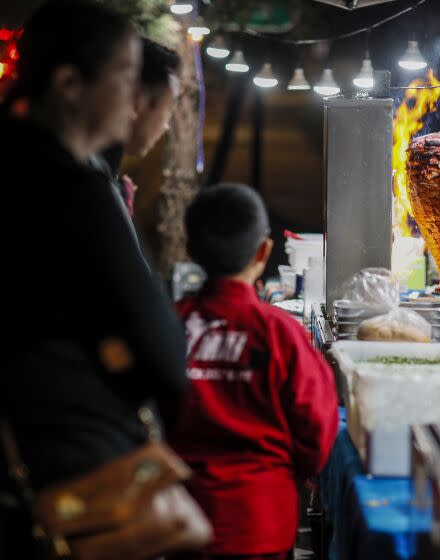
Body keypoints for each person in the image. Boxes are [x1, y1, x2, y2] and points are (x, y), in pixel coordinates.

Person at [0, 1, 188, 554]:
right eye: (125, 78)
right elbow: (164, 357)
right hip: (63, 473)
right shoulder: (75, 188)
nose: (134, 101)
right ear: (69, 84)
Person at [163, 183, 340, 559]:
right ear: (263, 251)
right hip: (260, 524)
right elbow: (317, 432)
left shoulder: (167, 327)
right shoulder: (281, 334)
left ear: (190, 250)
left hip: (180, 521)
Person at [91, 38, 181, 216]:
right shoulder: (94, 190)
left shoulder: (97, 171)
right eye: (168, 111)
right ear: (137, 102)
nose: (166, 127)